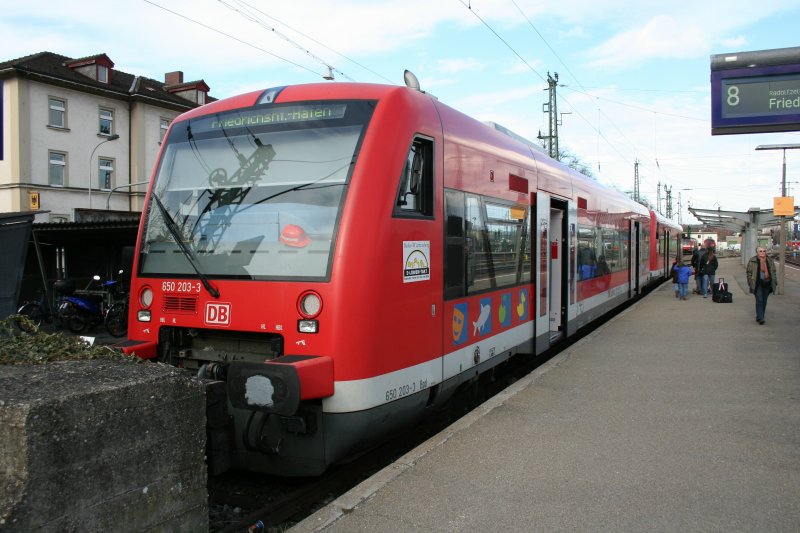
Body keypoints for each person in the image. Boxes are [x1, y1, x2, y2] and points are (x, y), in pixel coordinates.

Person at [746, 246, 777, 325]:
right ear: (757, 252)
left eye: (764, 251)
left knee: (764, 301)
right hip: (757, 283)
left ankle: (759, 316)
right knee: (759, 299)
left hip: (767, 282)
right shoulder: (752, 260)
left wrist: (775, 281)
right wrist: (750, 281)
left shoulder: (770, 260)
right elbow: (749, 272)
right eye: (760, 251)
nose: (762, 252)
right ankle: (761, 318)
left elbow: (773, 271)